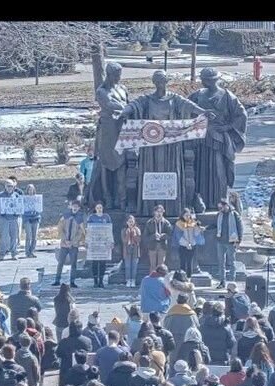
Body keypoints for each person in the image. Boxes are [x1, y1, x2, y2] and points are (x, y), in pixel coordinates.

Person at [119, 70, 210, 216]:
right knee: (149, 174)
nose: (161, 84)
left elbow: (189, 106)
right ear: (154, 83)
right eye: (158, 82)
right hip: (150, 148)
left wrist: (203, 112)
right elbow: (134, 105)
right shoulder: (147, 99)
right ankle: (149, 208)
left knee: (172, 174)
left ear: (167, 82)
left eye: (163, 81)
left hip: (171, 147)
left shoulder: (174, 99)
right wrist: (125, 112)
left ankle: (173, 207)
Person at [187, 67, 247, 210]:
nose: (202, 81)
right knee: (199, 171)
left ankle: (219, 202)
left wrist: (227, 127)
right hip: (200, 140)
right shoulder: (197, 95)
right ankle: (200, 201)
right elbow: (185, 109)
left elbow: (241, 115)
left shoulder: (227, 96)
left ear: (212, 80)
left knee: (218, 172)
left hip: (219, 141)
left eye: (204, 79)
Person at [92, 62, 128, 211]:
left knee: (122, 162)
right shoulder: (102, 91)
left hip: (122, 129)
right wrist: (128, 108)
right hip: (107, 131)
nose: (119, 78)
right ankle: (108, 197)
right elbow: (109, 104)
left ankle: (122, 197)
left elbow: (127, 103)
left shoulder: (122, 89)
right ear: (109, 74)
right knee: (106, 163)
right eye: (116, 75)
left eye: (120, 75)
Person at [53, 200, 86, 289]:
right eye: (73, 206)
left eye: (77, 207)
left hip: (74, 245)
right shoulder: (65, 216)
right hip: (64, 244)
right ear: (71, 206)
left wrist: (73, 241)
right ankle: (57, 280)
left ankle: (72, 281)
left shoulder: (80, 218)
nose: (75, 208)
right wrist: (64, 240)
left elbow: (81, 232)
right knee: (60, 262)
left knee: (73, 263)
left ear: (79, 208)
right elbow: (60, 228)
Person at [163, 294, 200, 365]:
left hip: (174, 342)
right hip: (187, 344)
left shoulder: (171, 313)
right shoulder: (191, 315)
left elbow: (165, 328)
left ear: (177, 301)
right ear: (187, 301)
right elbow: (197, 329)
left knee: (173, 363)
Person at [215, 199, 243, 288]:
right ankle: (222, 282)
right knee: (221, 262)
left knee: (231, 262)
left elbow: (240, 227)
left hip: (231, 241)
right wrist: (206, 228)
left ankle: (232, 281)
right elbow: (215, 225)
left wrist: (239, 241)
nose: (221, 209)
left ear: (226, 205)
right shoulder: (219, 215)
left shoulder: (234, 214)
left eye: (222, 207)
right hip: (220, 241)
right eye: (219, 207)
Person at [56, 320, 92, 386]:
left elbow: (58, 354)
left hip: (66, 374)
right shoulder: (87, 341)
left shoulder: (63, 342)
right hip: (82, 375)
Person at [172, 208, 205, 278]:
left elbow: (196, 234)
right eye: (186, 215)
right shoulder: (179, 223)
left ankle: (189, 278)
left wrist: (199, 228)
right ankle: (182, 278)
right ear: (182, 215)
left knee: (190, 263)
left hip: (192, 245)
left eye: (189, 215)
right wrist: (186, 244)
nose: (187, 217)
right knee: (182, 263)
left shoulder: (193, 223)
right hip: (183, 246)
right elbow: (178, 236)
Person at [200, 301, 236, 365]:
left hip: (207, 358)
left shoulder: (204, 325)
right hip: (223, 358)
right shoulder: (226, 326)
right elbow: (231, 343)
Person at [87, 202, 112, 289]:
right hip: (94, 243)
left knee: (102, 263)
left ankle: (101, 281)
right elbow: (88, 230)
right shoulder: (91, 217)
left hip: (103, 243)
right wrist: (87, 242)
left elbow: (109, 230)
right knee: (94, 263)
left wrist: (110, 241)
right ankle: (95, 281)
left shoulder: (106, 217)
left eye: (100, 207)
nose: (99, 209)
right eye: (97, 208)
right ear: (95, 208)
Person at [0, 180, 21, 261]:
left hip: (14, 218)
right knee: (3, 236)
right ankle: (2, 253)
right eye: (8, 186)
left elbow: (20, 206)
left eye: (11, 186)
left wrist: (18, 213)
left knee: (14, 236)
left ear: (14, 187)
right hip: (4, 219)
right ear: (5, 186)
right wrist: (1, 213)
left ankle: (14, 253)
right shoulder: (0, 195)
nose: (10, 188)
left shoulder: (16, 195)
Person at [143, 205, 173, 273]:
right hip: (152, 246)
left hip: (162, 246)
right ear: (154, 212)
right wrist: (153, 236)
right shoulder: (149, 223)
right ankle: (152, 280)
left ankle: (160, 280)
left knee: (161, 265)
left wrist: (164, 235)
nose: (159, 213)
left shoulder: (166, 223)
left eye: (161, 212)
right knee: (152, 265)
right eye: (157, 211)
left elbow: (170, 235)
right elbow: (145, 237)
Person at [121, 215, 141, 288]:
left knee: (134, 266)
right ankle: (128, 280)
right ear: (127, 222)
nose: (131, 223)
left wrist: (135, 234)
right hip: (127, 249)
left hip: (135, 249)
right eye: (129, 222)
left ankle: (133, 280)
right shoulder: (124, 230)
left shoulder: (137, 229)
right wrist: (128, 234)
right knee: (128, 266)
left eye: (132, 221)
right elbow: (124, 241)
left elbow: (139, 240)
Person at [22, 184, 41, 258]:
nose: (30, 191)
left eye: (32, 189)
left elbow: (39, 208)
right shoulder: (24, 198)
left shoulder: (37, 198)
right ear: (27, 190)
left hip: (35, 218)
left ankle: (32, 251)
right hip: (27, 219)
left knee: (34, 236)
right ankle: (27, 252)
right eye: (29, 190)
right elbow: (22, 209)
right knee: (29, 236)